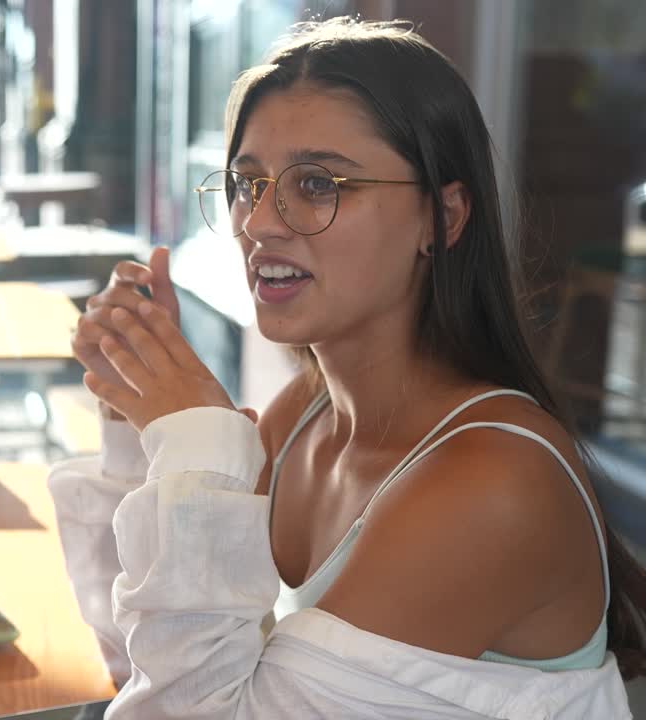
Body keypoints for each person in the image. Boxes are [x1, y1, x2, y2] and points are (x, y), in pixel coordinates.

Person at [51, 18, 641, 718]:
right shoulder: (306, 415)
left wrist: (196, 445)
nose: (261, 221)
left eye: (319, 183)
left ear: (443, 218)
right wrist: (133, 413)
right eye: (247, 183)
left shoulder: (493, 483)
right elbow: (139, 656)